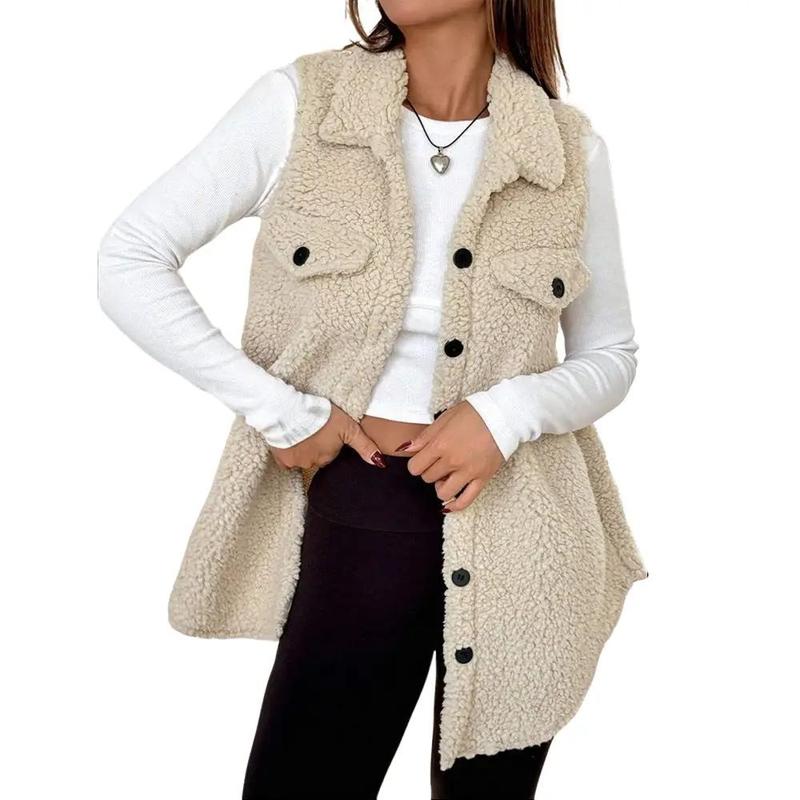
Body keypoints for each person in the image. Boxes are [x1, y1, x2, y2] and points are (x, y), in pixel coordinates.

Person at [97, 1, 648, 797]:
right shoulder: (304, 104)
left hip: (527, 526)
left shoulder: (567, 148)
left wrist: (504, 416)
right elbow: (130, 257)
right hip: (365, 506)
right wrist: (282, 411)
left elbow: (611, 356)